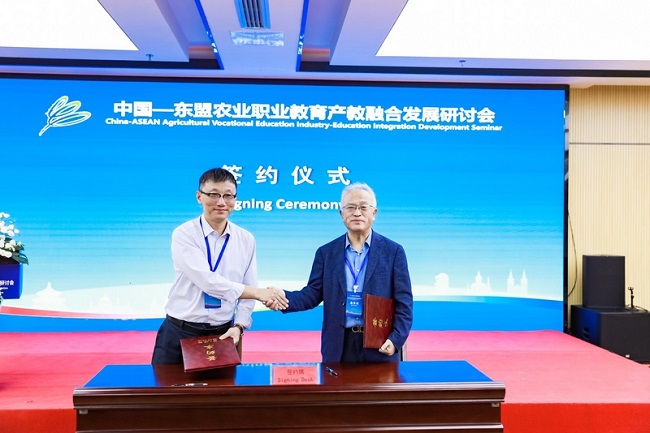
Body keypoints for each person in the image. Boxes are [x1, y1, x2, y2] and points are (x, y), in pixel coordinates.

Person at [152, 168, 287, 364]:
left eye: (228, 195)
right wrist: (259, 293)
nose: (221, 202)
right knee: (165, 385)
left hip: (224, 335)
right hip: (180, 332)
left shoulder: (246, 239)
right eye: (214, 194)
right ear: (199, 196)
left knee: (222, 386)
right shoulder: (184, 234)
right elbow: (208, 282)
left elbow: (249, 287)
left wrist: (239, 326)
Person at [274, 182, 413, 363]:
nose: (357, 213)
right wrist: (282, 298)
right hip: (339, 347)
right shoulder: (326, 253)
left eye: (363, 207)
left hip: (380, 345)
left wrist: (396, 340)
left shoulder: (393, 252)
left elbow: (404, 303)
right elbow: (312, 294)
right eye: (351, 207)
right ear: (341, 214)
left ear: (374, 213)